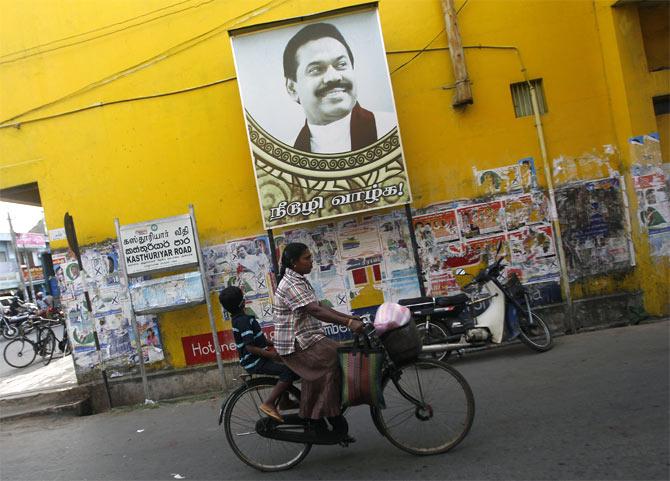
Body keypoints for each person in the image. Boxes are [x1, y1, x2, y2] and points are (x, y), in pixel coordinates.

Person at [273, 242, 364, 440]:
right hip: (296, 342)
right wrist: (348, 322)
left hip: (308, 338)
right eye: (307, 258)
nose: (311, 261)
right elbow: (314, 310)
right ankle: (317, 417)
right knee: (334, 358)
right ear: (293, 262)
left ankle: (326, 411)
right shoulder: (291, 284)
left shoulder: (299, 279)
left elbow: (321, 306)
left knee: (337, 356)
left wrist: (349, 318)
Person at [283, 22, 396, 153]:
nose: (333, 77)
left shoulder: (391, 129)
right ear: (292, 88)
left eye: (341, 64)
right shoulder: (286, 156)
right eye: (316, 69)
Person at [219, 286, 299, 423]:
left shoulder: (240, 319)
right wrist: (272, 355)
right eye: (243, 298)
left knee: (288, 365)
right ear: (242, 303)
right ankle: (270, 402)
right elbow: (250, 347)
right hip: (255, 361)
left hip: (257, 358)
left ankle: (285, 400)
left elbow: (258, 340)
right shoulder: (244, 321)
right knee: (288, 371)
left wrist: (274, 343)